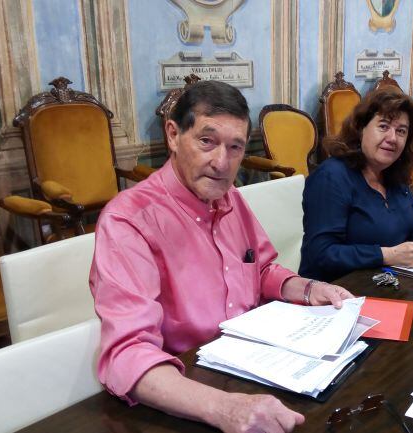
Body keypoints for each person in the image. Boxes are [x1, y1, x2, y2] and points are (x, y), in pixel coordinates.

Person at [90, 80, 353, 433]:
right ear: (173, 134)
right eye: (206, 141)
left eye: (235, 148)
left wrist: (304, 287)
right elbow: (126, 354)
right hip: (185, 393)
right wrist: (224, 408)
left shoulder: (230, 199)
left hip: (254, 367)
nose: (221, 162)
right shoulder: (129, 220)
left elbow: (258, 270)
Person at [299, 88, 413, 282]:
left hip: (387, 281)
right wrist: (387, 255)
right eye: (383, 126)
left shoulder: (392, 171)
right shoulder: (331, 177)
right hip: (334, 294)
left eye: (401, 131)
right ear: (361, 129)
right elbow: (321, 254)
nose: (393, 138)